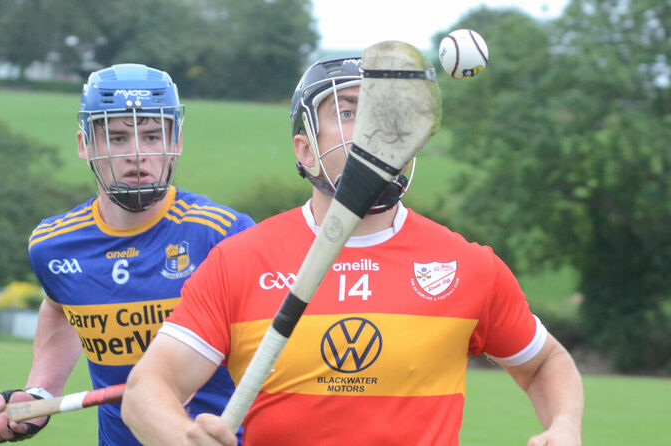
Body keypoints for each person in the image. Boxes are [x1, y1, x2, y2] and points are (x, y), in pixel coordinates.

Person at [121, 54, 584, 446]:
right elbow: (148, 388)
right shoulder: (240, 261)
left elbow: (545, 362)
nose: (371, 127)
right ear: (305, 150)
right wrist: (182, 437)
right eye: (346, 111)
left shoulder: (468, 266)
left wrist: (564, 426)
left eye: (384, 113)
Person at [0, 64, 254, 445]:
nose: (137, 154)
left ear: (177, 141)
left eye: (153, 136)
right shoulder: (53, 246)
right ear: (84, 145)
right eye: (118, 138)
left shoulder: (223, 233)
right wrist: (40, 392)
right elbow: (60, 308)